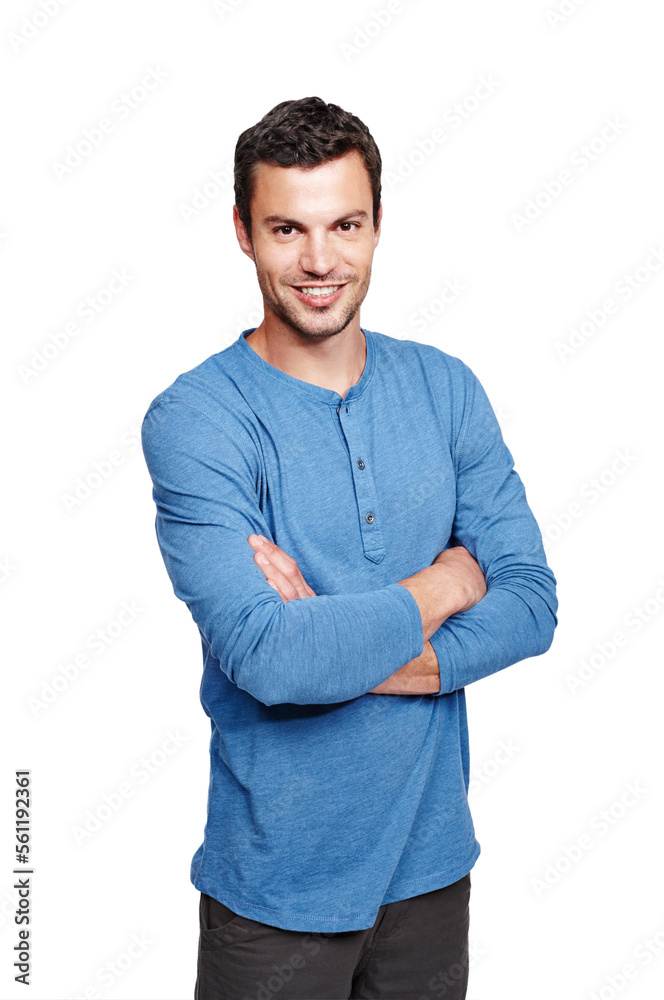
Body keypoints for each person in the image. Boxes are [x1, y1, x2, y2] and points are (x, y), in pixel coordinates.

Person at [140, 96, 558, 1000]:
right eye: (288, 227)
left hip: (432, 876)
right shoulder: (197, 421)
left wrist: (330, 638)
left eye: (345, 225)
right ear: (244, 233)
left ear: (378, 227)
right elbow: (270, 658)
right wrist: (448, 579)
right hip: (273, 900)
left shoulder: (447, 390)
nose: (320, 260)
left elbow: (531, 605)